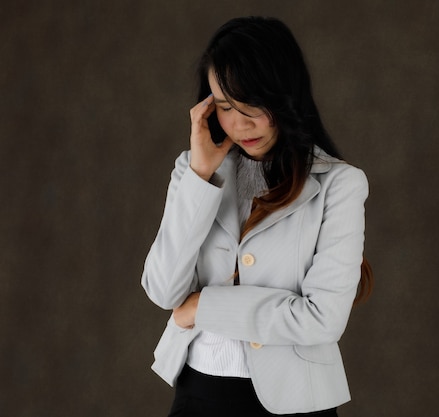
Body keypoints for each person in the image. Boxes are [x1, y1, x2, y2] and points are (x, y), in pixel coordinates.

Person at [141, 16, 373, 416]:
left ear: (286, 97)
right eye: (227, 106)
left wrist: (203, 307)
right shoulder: (193, 171)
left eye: (253, 106)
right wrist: (200, 177)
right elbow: (163, 291)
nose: (240, 123)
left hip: (296, 401)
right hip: (199, 393)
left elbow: (321, 320)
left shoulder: (340, 184)